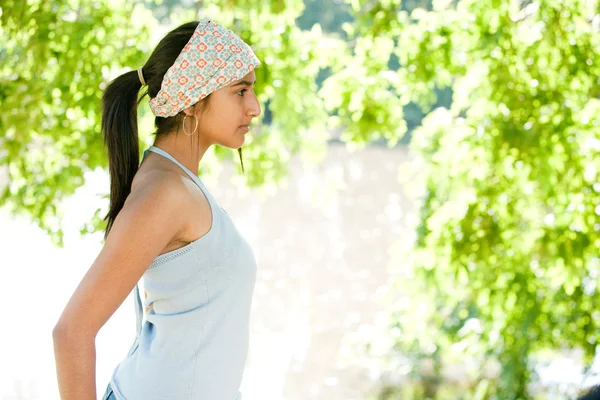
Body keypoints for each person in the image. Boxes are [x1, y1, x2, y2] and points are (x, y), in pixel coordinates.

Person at [52, 17, 262, 400]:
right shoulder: (166, 192)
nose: (255, 107)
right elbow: (71, 333)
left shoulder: (176, 183)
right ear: (195, 99)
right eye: (240, 90)